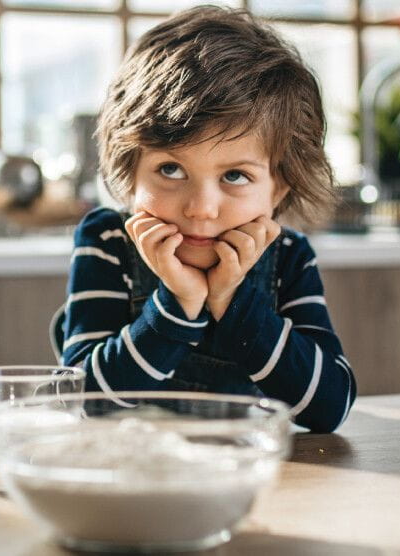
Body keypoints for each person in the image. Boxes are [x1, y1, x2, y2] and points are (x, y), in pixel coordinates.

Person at [59, 5, 356, 433]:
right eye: (171, 170)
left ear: (279, 188)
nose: (201, 208)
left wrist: (232, 301)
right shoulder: (106, 241)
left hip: (245, 480)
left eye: (235, 176)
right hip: (128, 477)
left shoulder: (289, 257)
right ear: (130, 171)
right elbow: (81, 399)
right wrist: (178, 304)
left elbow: (329, 407)